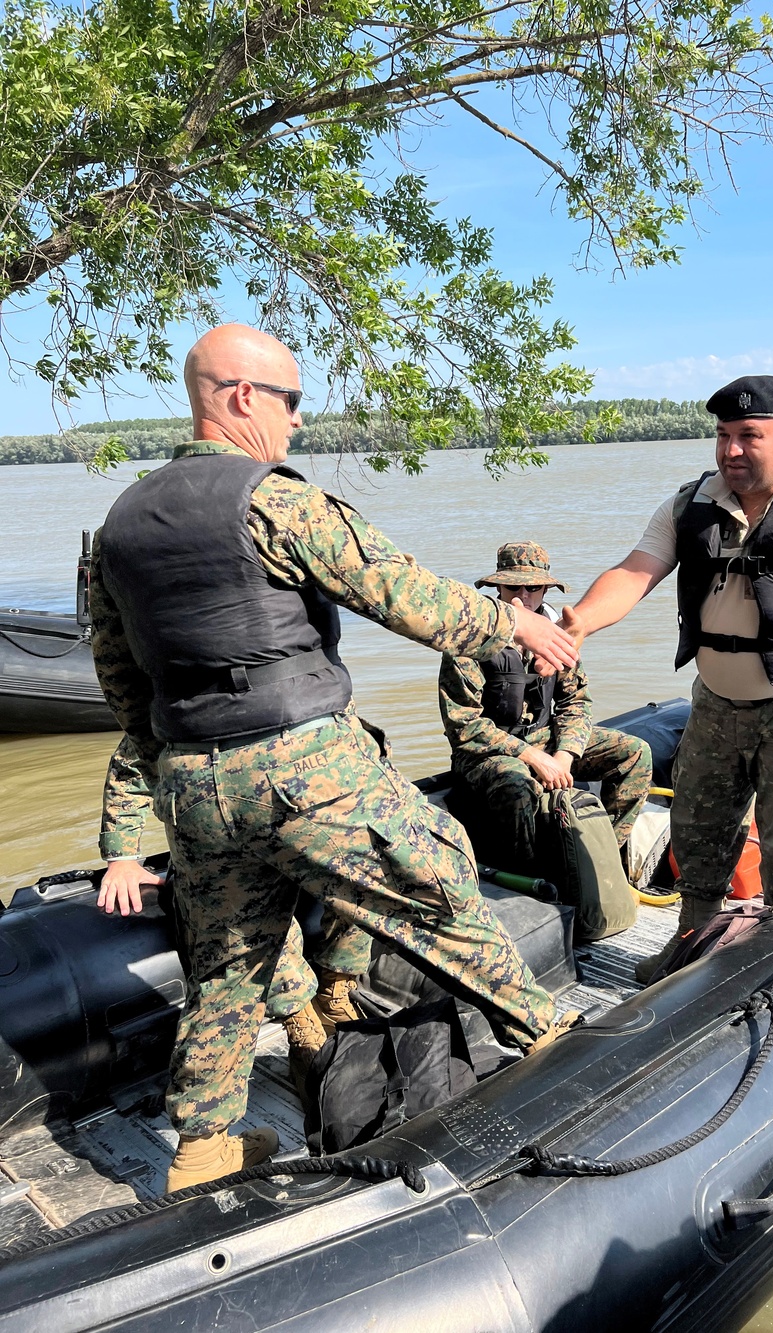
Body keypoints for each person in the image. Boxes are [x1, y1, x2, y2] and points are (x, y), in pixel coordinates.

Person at [89, 323, 581, 1191]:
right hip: (301, 762)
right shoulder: (273, 498)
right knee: (435, 881)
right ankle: (555, 1038)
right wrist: (512, 620)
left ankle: (203, 1151)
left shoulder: (118, 524)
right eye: (291, 402)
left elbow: (120, 677)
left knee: (227, 967)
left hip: (194, 781)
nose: (297, 425)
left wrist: (172, 759)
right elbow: (399, 588)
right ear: (241, 396)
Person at [560, 375, 773, 982]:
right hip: (716, 703)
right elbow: (635, 571)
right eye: (723, 436)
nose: (732, 450)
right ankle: (690, 945)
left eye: (750, 436)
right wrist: (580, 622)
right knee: (697, 830)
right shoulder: (690, 504)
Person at [96, 735, 371, 1092]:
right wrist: (121, 857)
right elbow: (132, 762)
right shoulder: (191, 703)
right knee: (250, 916)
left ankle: (335, 992)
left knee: (364, 879)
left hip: (301, 831)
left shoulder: (300, 689)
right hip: (222, 851)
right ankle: (301, 1026)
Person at [439, 542, 651, 871]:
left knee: (635, 753)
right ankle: (531, 877)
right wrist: (534, 758)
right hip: (488, 752)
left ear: (545, 588)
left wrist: (564, 756)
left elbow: (574, 703)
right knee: (517, 787)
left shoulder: (558, 632)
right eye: (513, 586)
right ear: (498, 587)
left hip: (542, 735)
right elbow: (465, 727)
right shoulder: (470, 639)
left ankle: (599, 859)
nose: (523, 596)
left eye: (533, 587)